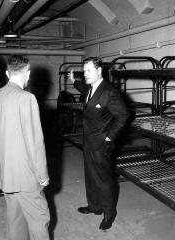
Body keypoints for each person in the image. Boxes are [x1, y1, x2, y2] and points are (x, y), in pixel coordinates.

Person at [0, 55, 50, 240]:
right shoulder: (27, 98)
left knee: (15, 219)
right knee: (39, 219)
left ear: (7, 73)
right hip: (26, 174)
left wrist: (8, 147)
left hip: (5, 171)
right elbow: (35, 141)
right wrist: (42, 175)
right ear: (27, 73)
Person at [69, 56, 129, 231]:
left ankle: (109, 214)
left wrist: (109, 137)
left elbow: (123, 116)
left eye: (88, 70)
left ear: (99, 71)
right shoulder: (90, 88)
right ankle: (94, 206)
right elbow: (83, 88)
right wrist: (74, 81)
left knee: (104, 179)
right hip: (88, 140)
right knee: (90, 174)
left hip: (102, 143)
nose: (85, 74)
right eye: (84, 70)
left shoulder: (110, 92)